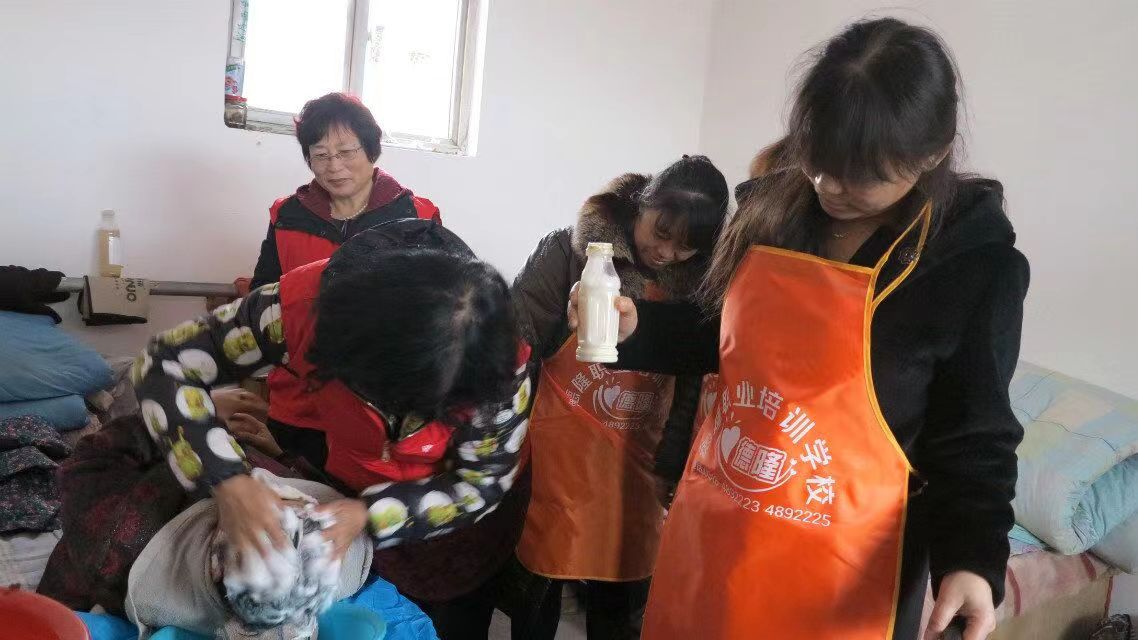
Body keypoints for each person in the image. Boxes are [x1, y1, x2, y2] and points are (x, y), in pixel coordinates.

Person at [568, 18, 1029, 640]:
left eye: (860, 174)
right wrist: (635, 328)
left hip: (843, 569)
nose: (827, 186)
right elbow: (722, 333)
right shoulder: (772, 213)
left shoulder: (971, 266)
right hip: (721, 522)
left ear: (930, 154)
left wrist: (972, 559)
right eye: (818, 158)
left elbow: (974, 435)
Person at [130, 220, 533, 634]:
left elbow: (481, 483)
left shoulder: (495, 363)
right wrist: (229, 482)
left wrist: (368, 514)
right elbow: (164, 364)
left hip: (457, 516)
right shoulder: (298, 309)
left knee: (445, 619)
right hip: (347, 484)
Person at [509, 155, 729, 638]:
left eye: (687, 246)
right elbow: (514, 342)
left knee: (623, 598)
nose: (667, 252)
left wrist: (675, 463)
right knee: (538, 591)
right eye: (661, 232)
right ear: (640, 204)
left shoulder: (704, 287)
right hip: (559, 457)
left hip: (639, 463)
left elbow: (694, 381)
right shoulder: (569, 254)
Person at [246, 91, 440, 471]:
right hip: (299, 405)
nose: (334, 167)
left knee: (364, 502)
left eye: (346, 152)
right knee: (293, 495)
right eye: (320, 155)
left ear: (371, 149)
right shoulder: (287, 217)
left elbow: (437, 310)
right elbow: (263, 299)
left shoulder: (417, 217)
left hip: (381, 409)